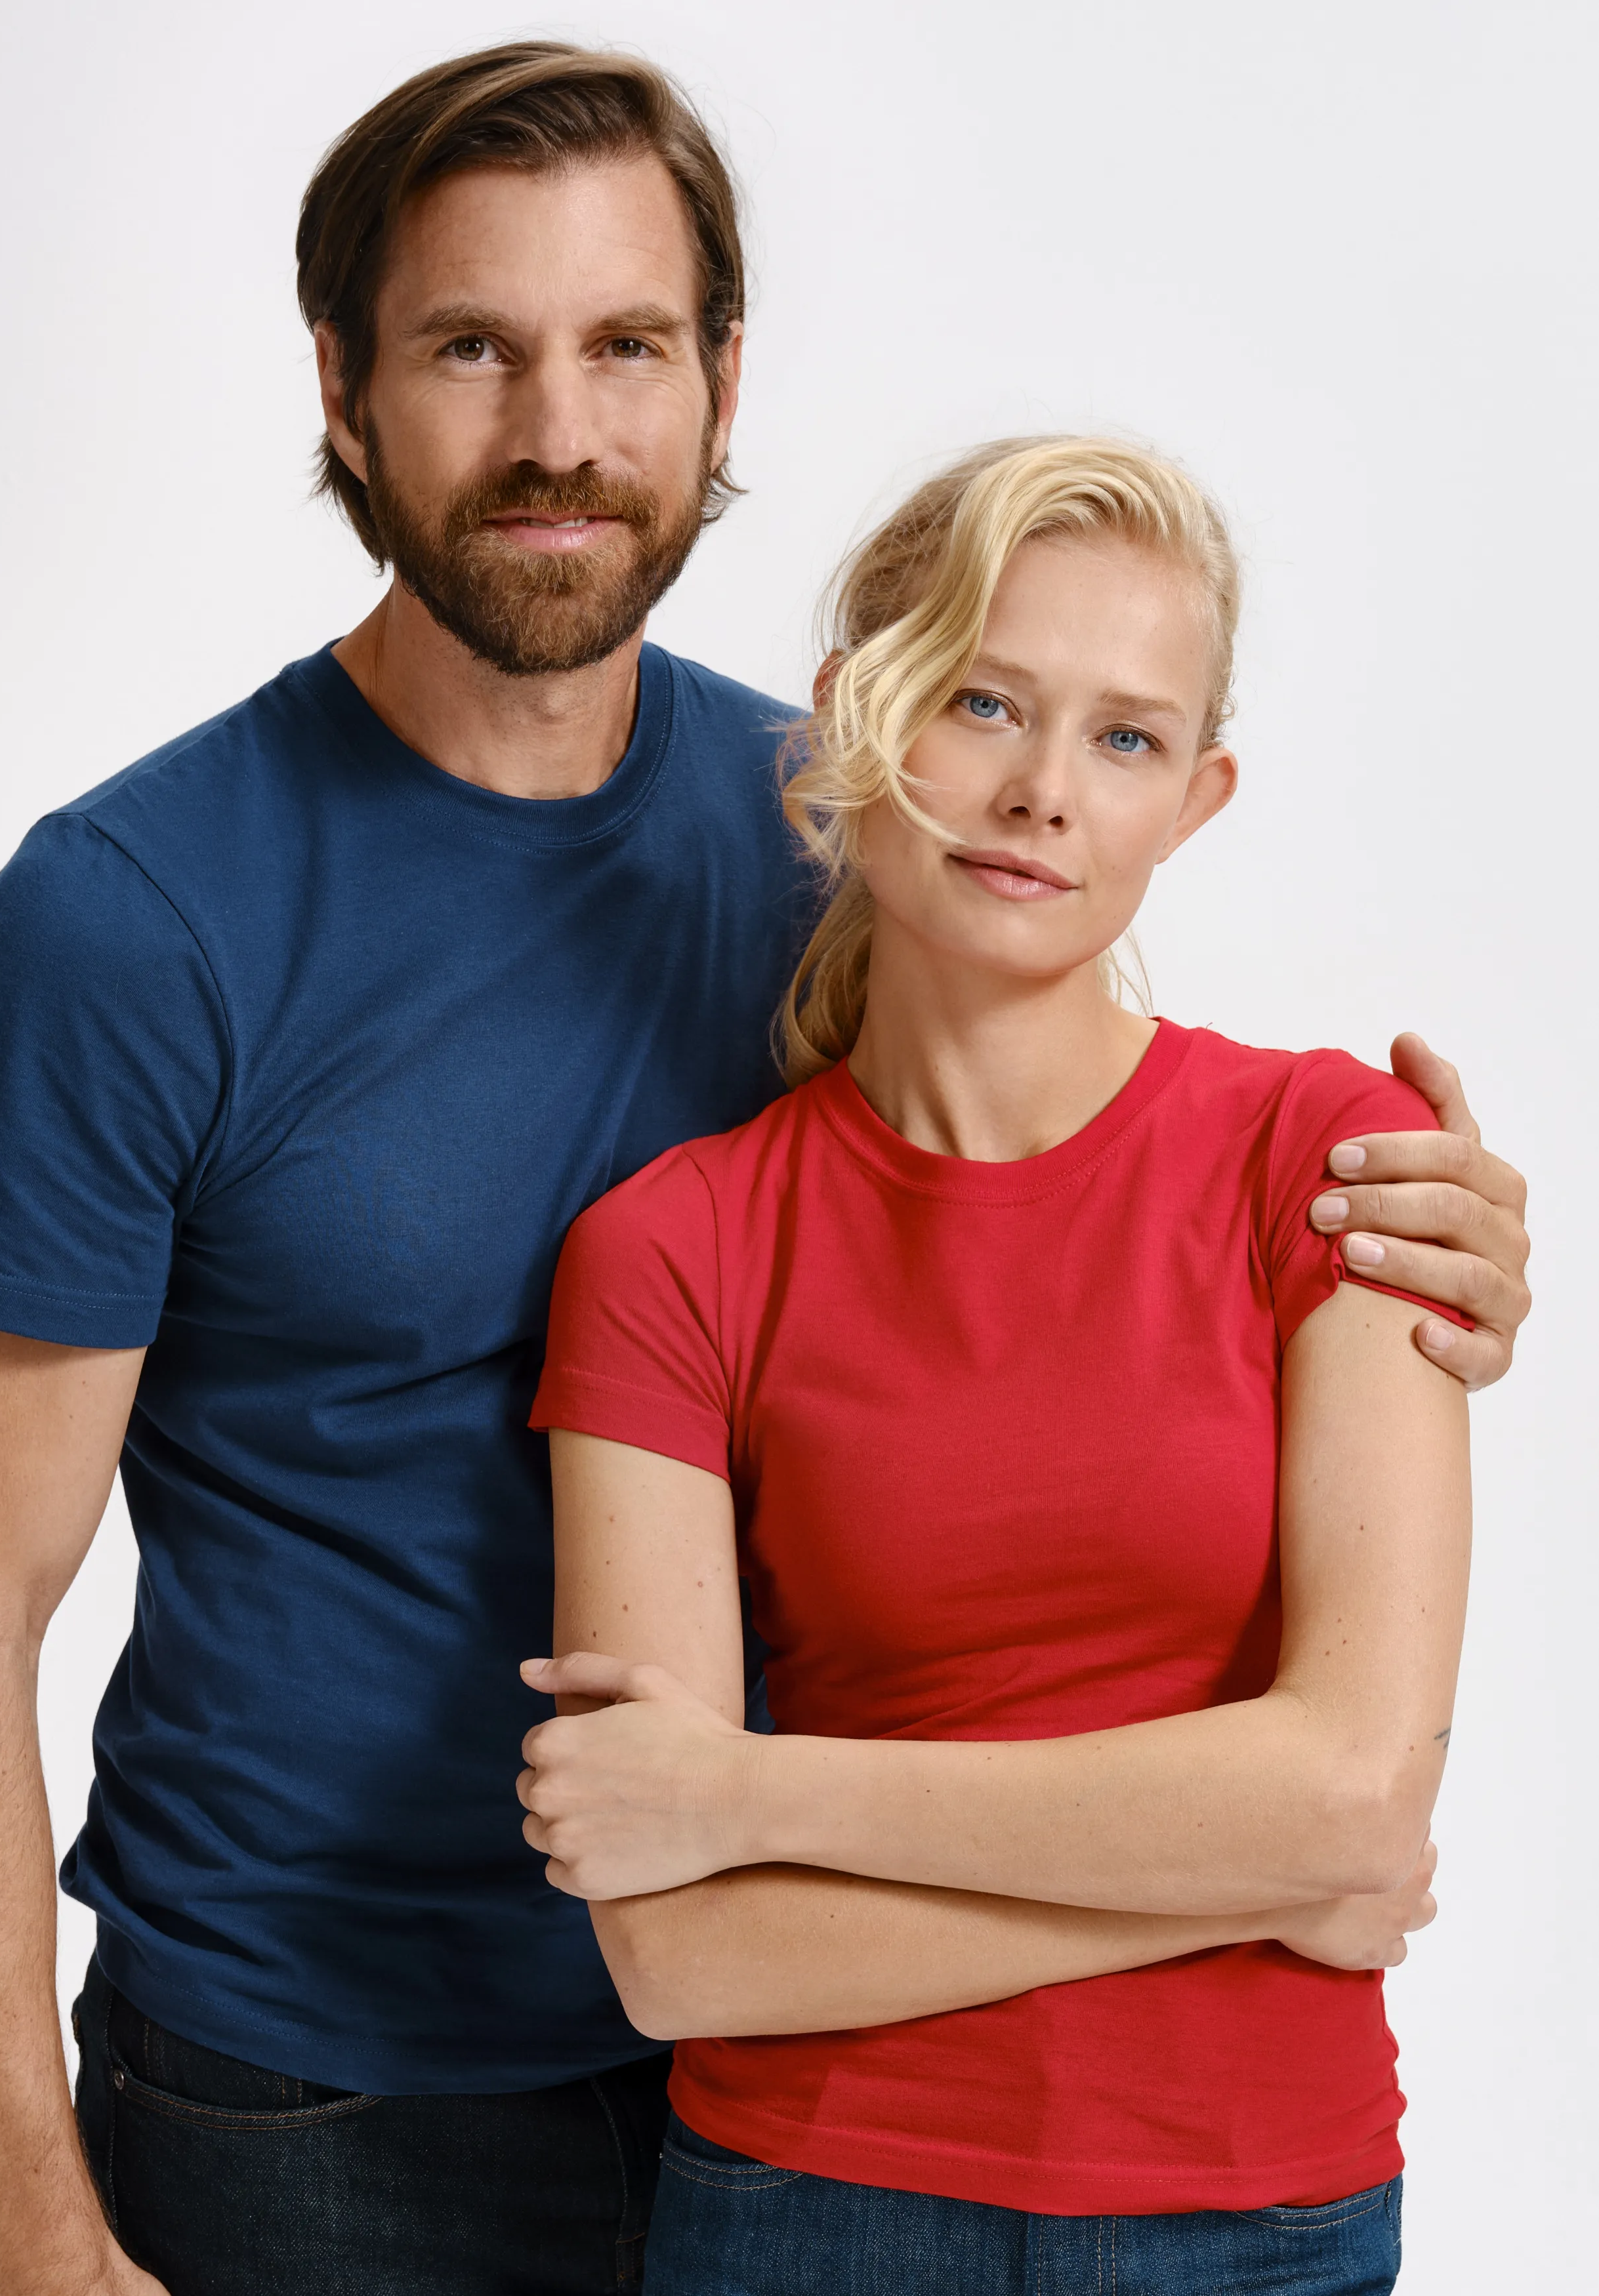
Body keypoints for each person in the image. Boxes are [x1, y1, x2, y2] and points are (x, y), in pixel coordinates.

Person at [0, 37, 1527, 2296]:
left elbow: (1077, 1208)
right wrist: (29, 2233)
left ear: (725, 380)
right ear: (341, 387)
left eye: (628, 345)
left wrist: (1407, 1241)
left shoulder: (851, 830)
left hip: (827, 2077)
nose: (561, 429)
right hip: (328, 2100)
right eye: (472, 347)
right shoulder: (133, 922)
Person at [520, 436, 1480, 2296]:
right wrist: (1250, 1880)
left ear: (1194, 799)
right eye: (983, 701)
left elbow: (1357, 1796)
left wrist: (755, 1797)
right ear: (855, 714)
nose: (1044, 790)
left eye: (1125, 738)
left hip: (1259, 2222)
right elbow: (680, 1955)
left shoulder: (1334, 1162)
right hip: (806, 2216)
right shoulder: (672, 1248)